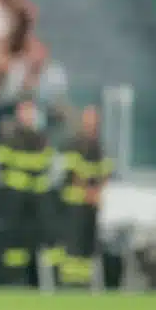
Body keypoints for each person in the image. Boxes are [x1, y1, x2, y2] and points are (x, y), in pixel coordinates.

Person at [0, 99, 54, 286]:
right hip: (15, 199)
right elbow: (2, 165)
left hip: (37, 201)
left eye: (30, 112)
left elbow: (45, 165)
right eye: (24, 112)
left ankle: (39, 282)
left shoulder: (41, 139)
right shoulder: (10, 139)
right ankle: (12, 280)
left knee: (38, 241)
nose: (27, 116)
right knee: (13, 243)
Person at [59, 106, 113, 288]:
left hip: (91, 205)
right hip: (75, 204)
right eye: (90, 122)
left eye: (95, 122)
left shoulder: (99, 147)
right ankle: (71, 284)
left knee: (88, 247)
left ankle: (84, 283)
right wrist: (90, 193)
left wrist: (98, 193)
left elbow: (105, 173)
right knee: (74, 245)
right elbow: (75, 174)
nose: (93, 126)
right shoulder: (73, 144)